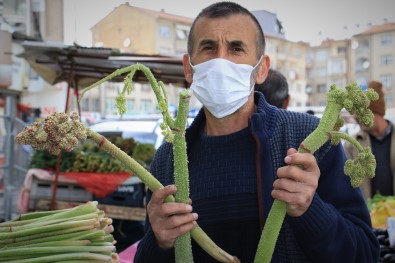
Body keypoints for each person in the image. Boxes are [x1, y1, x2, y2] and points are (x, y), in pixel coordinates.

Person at [134, 2, 379, 262]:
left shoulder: (312, 141)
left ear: (261, 69)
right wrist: (157, 242)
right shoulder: (166, 160)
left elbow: (365, 253)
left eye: (236, 48)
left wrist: (310, 209)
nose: (221, 60)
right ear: (188, 68)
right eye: (208, 48)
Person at [344, 80, 395, 199]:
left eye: (360, 116)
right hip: (369, 213)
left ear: (375, 113)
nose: (357, 119)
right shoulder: (352, 144)